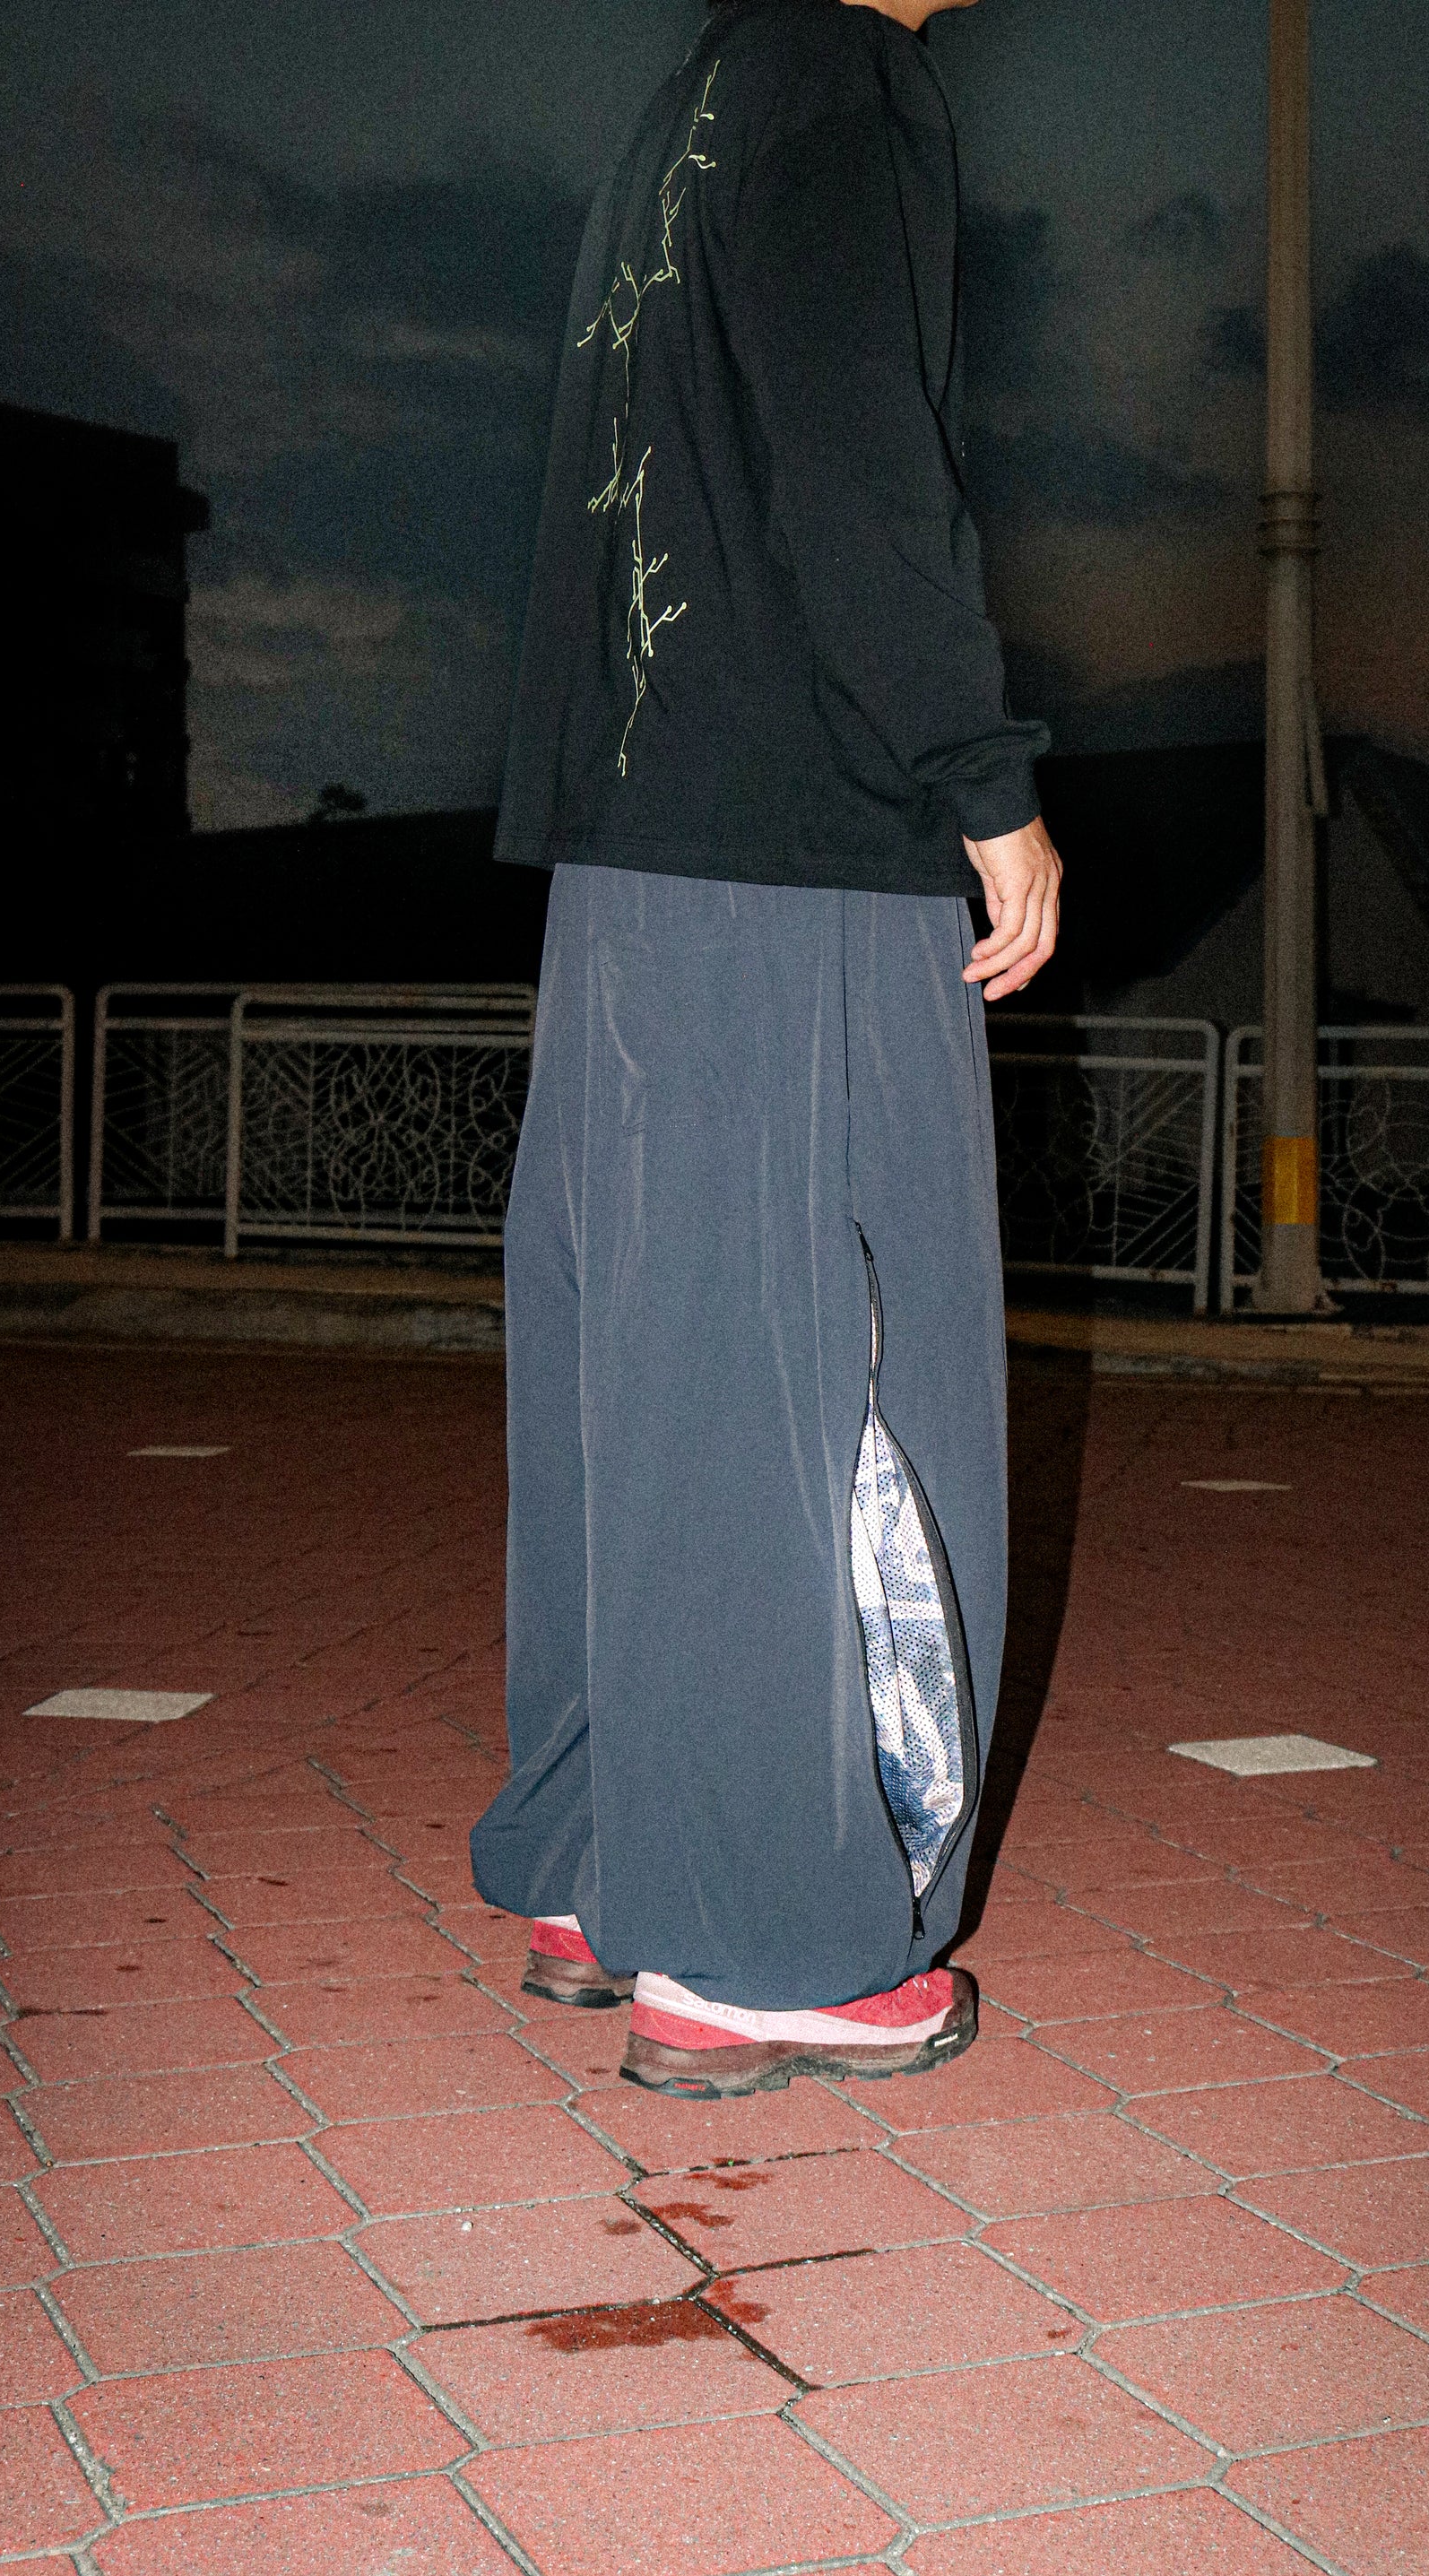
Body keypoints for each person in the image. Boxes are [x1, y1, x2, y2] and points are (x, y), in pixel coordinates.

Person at [470, 0, 1062, 2098]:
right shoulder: (841, 80)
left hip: (630, 834)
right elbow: (855, 451)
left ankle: (600, 1848)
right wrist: (980, 772)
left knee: (634, 1349)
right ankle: (757, 1938)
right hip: (796, 834)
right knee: (826, 1358)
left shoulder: (690, 102)